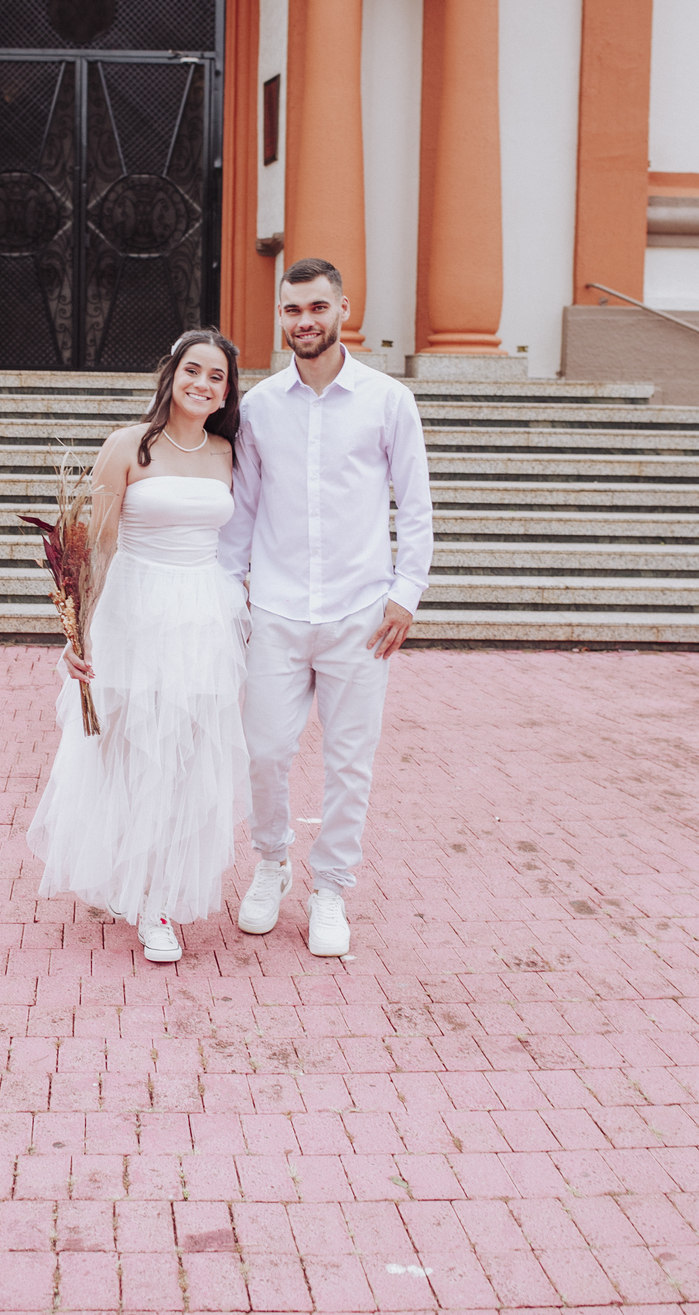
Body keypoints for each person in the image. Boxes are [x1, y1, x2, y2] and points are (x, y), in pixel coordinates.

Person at [218, 257, 434, 958]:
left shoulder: (388, 401)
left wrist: (405, 594)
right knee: (264, 752)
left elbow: (416, 506)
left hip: (360, 614)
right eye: (292, 309)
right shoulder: (259, 408)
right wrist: (230, 591)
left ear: (343, 309)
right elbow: (242, 509)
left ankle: (332, 887)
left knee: (349, 762)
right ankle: (272, 863)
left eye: (317, 307)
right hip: (276, 612)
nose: (304, 321)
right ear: (281, 315)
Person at [27, 330, 249, 963]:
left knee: (184, 759)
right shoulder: (127, 445)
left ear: (226, 393)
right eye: (193, 370)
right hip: (133, 613)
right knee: (126, 753)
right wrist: (77, 632)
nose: (203, 384)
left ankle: (159, 901)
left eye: (217, 377)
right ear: (171, 374)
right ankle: (128, 877)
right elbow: (95, 546)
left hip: (203, 618)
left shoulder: (227, 453)